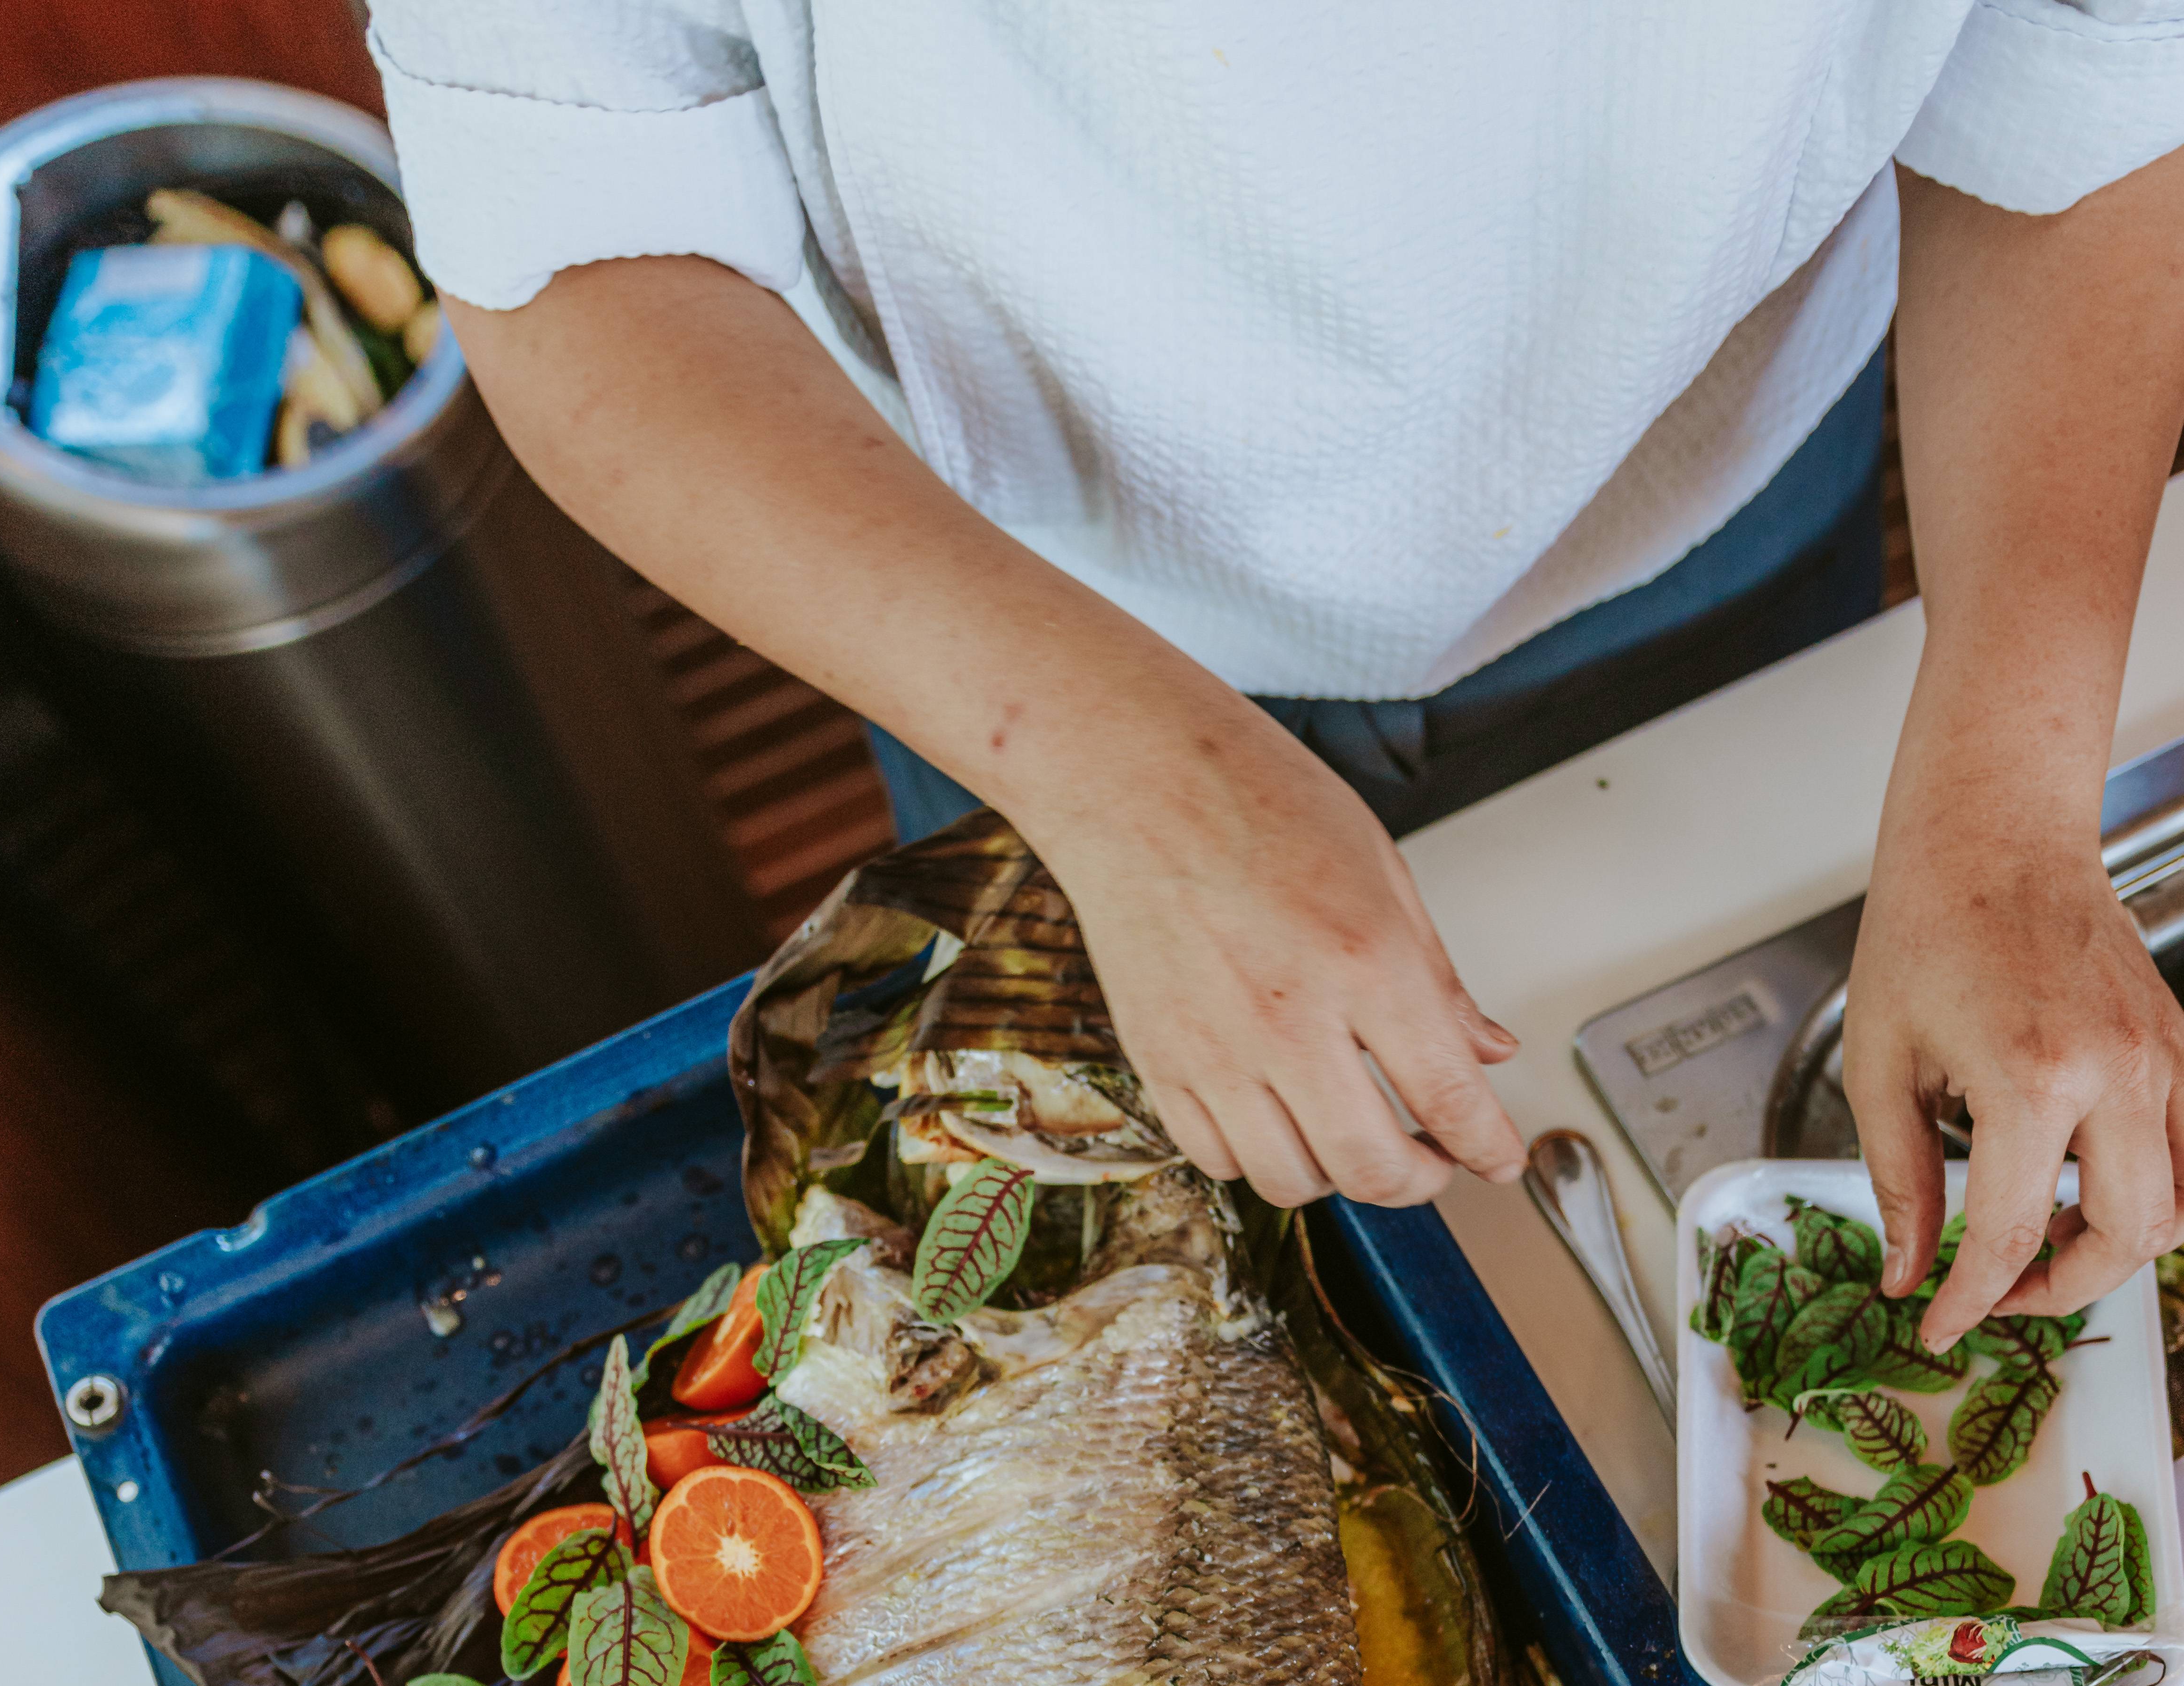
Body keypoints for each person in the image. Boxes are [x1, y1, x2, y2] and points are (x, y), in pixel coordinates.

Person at [368, 5, 2184, 1346]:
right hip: (1020, 613)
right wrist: (1120, 775)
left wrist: (2013, 802)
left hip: (1719, 483)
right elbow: (578, 239)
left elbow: (2088, 64)